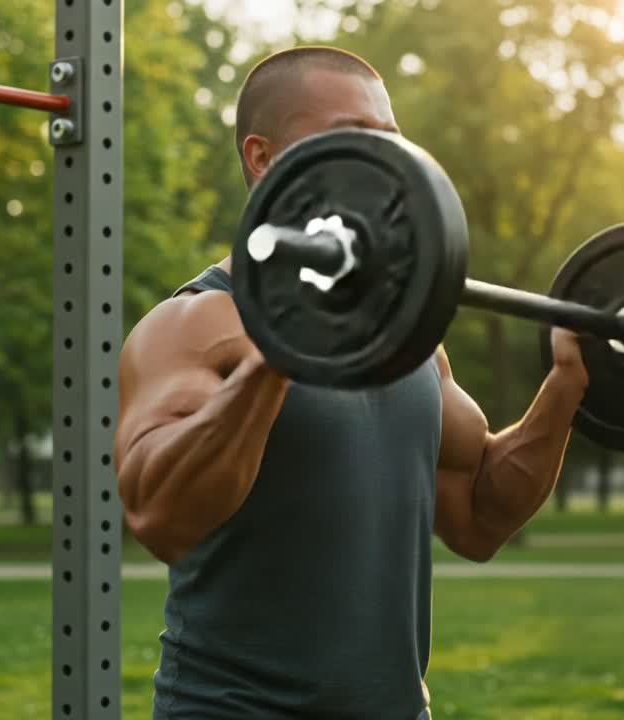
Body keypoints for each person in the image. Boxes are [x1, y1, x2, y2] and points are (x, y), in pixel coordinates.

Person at [114, 46, 589, 720]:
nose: (384, 164)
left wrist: (567, 384)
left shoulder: (410, 340)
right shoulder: (190, 325)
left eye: (389, 143)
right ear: (263, 158)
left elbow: (480, 515)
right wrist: (278, 352)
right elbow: (161, 515)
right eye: (354, 139)